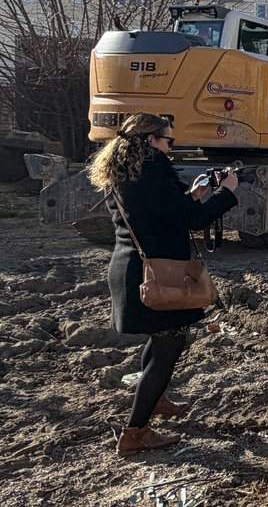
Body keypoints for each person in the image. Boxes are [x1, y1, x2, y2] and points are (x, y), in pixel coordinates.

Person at [87, 113, 239, 456]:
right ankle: (135, 433)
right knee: (169, 347)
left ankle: (155, 398)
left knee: (163, 341)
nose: (172, 146)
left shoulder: (129, 173)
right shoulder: (150, 176)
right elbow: (191, 220)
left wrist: (197, 192)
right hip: (154, 275)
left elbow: (164, 214)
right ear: (150, 140)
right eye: (168, 140)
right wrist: (227, 194)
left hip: (137, 269)